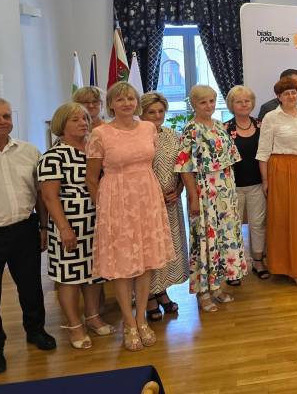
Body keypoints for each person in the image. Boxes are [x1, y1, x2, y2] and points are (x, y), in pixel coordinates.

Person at [85, 82, 174, 351]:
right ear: (111, 104)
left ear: (137, 102)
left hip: (147, 197)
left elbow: (150, 162)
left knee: (146, 262)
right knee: (122, 265)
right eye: (120, 99)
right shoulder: (100, 133)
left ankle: (141, 319)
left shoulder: (148, 128)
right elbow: (92, 178)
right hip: (116, 200)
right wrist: (105, 209)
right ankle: (129, 322)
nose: (126, 103)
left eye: (131, 99)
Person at [0, 97, 56, 374]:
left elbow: (41, 194)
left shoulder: (29, 151)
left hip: (24, 229)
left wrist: (43, 226)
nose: (2, 121)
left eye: (6, 116)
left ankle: (36, 330)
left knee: (31, 287)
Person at [38, 103, 114, 350]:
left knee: (94, 273)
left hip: (96, 220)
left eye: (84, 118)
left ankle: (92, 316)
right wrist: (63, 228)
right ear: (61, 124)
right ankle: (73, 324)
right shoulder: (53, 156)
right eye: (75, 119)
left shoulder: (93, 149)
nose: (83, 122)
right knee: (69, 277)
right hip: (69, 222)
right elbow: (49, 197)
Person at [176, 85, 248, 311]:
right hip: (204, 191)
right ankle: (203, 292)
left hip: (225, 190)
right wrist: (193, 197)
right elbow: (185, 167)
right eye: (203, 102)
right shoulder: (190, 129)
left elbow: (230, 160)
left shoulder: (219, 126)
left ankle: (217, 287)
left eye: (211, 101)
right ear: (194, 104)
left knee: (223, 239)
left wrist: (231, 193)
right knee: (205, 240)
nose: (208, 106)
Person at [257, 77, 297, 289]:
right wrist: (265, 181)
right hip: (282, 170)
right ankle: (291, 268)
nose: (291, 96)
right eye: (286, 93)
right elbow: (263, 152)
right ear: (279, 97)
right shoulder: (271, 117)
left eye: (294, 92)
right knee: (285, 219)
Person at [140, 92, 188, 319]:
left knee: (167, 249)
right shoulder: (136, 137)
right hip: (145, 204)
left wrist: (178, 190)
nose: (157, 115)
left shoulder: (173, 135)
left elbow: (182, 168)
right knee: (150, 250)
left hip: (170, 202)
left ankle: (162, 291)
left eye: (160, 111)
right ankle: (149, 295)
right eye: (151, 112)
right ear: (142, 113)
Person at [225, 85, 268, 280]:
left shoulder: (262, 125)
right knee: (232, 227)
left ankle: (258, 261)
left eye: (247, 101)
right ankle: (233, 268)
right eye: (239, 101)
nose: (244, 104)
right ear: (231, 105)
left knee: (258, 224)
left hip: (257, 183)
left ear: (252, 103)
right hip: (232, 186)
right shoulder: (224, 129)